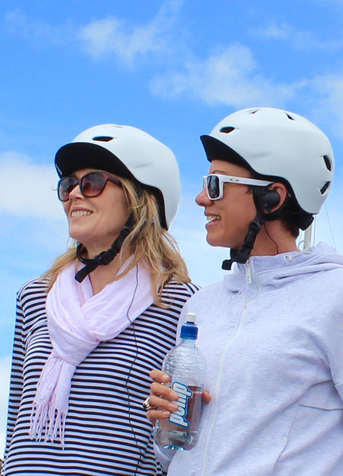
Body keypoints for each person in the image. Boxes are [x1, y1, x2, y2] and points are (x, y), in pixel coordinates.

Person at [145, 107, 343, 475]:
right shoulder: (202, 304)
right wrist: (166, 422)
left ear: (273, 197)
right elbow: (174, 455)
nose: (201, 199)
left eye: (216, 184)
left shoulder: (334, 294)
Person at [2, 124, 199, 475]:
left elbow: (187, 434)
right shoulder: (35, 295)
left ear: (141, 198)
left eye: (92, 181)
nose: (75, 194)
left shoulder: (182, 303)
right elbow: (16, 417)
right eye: (68, 185)